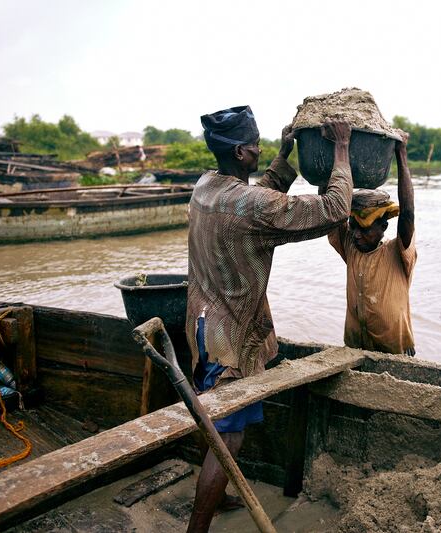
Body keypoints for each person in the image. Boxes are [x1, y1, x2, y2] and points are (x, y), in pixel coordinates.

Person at [186, 105, 353, 532]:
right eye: (256, 145)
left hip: (202, 325)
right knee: (228, 436)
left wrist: (285, 154)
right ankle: (197, 528)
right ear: (241, 152)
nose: (260, 149)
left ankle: (217, 494)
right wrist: (341, 152)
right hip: (230, 338)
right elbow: (335, 208)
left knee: (218, 419)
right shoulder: (250, 205)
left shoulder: (206, 187)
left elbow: (262, 196)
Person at [326, 131, 417, 356]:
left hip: (394, 349)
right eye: (353, 227)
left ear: (383, 227)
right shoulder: (351, 247)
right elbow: (329, 207)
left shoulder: (397, 251)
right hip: (355, 347)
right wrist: (336, 147)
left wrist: (401, 153)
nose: (356, 235)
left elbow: (408, 213)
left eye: (364, 229)